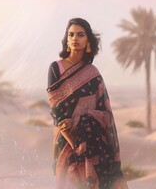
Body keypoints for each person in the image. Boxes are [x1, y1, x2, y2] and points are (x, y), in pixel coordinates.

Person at [47, 18, 128, 189]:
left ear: (88, 41)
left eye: (80, 35)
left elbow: (105, 114)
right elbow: (56, 111)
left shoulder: (93, 73)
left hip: (92, 142)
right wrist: (73, 140)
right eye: (71, 35)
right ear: (67, 40)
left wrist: (80, 123)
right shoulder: (56, 68)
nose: (75, 38)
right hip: (66, 142)